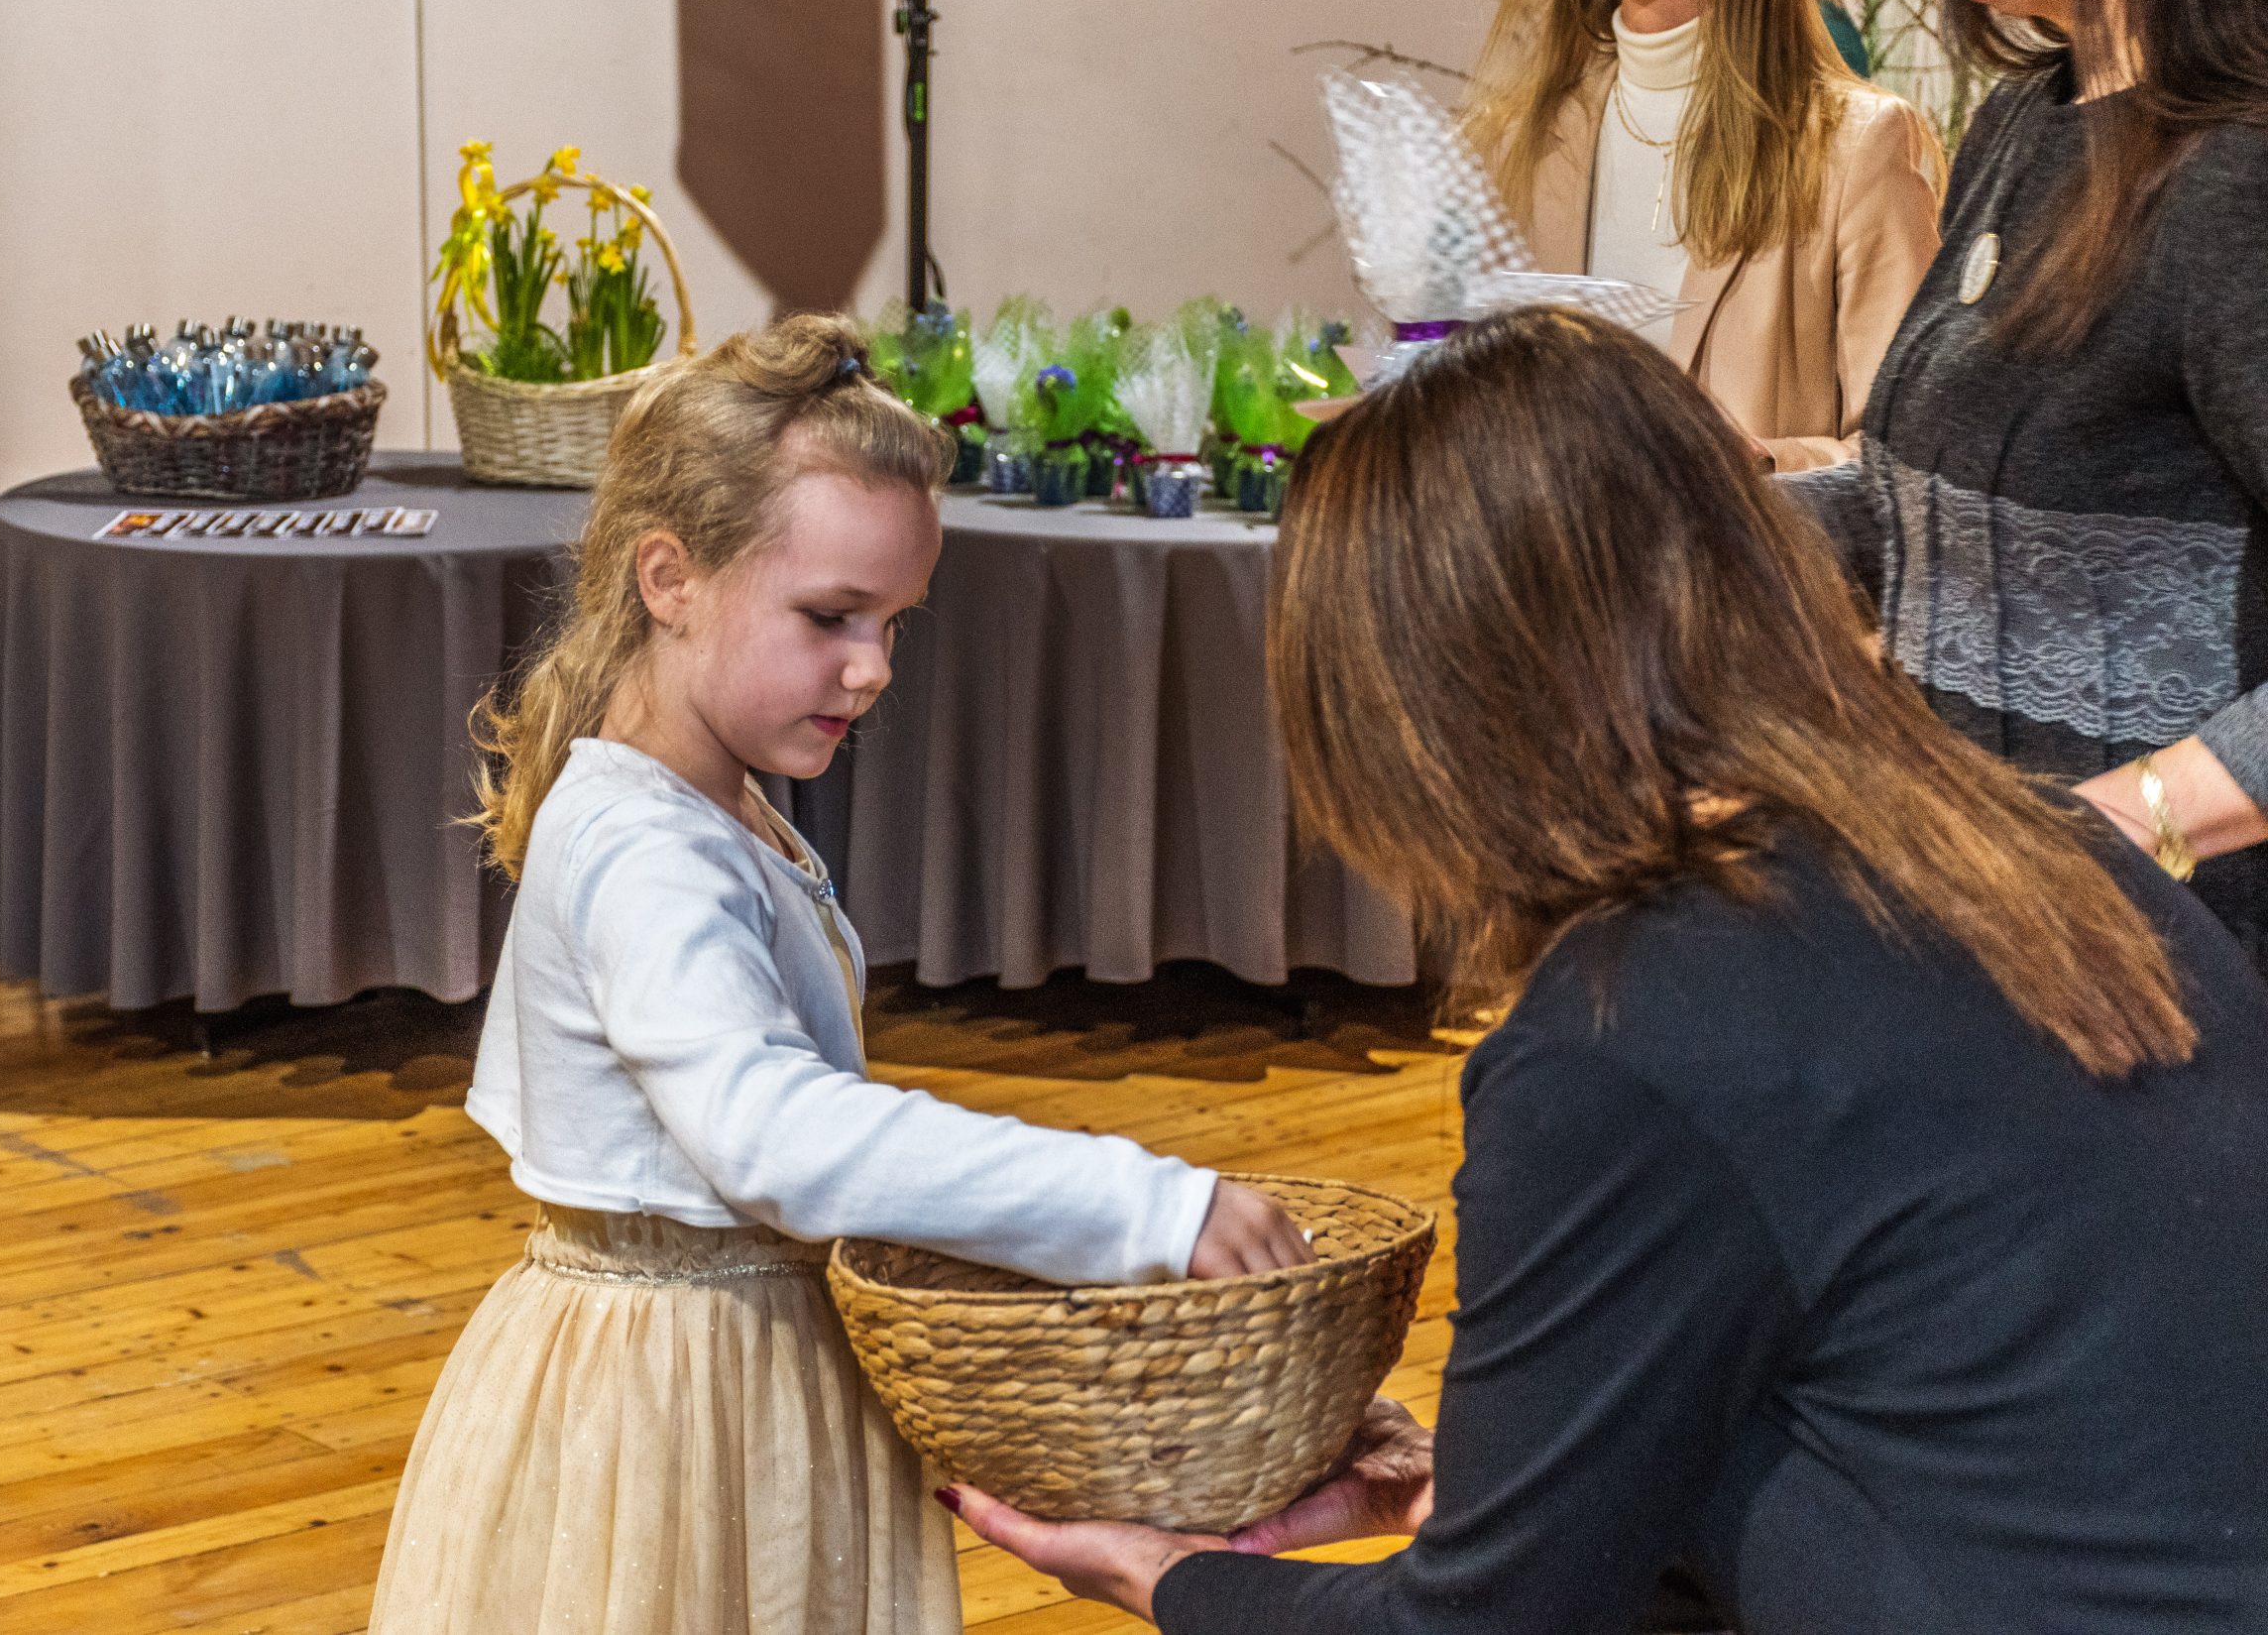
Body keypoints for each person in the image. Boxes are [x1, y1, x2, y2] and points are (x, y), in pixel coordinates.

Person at [947, 307, 2268, 1632]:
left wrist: (1168, 1574)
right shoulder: (2043, 850)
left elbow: (1481, 1628)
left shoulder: (1633, 1027)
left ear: (1403, 705)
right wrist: (1528, 1481)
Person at [365, 314, 1308, 1635]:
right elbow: (772, 1134)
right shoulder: (645, 845)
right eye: (828, 616)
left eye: (890, 622)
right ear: (668, 577)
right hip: (673, 1405)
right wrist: (1141, 1202)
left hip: (745, 1361)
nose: (870, 668)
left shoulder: (712, 802)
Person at [1791, 0, 2268, 965]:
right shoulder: (2022, 119)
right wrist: (1683, 507)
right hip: (1988, 913)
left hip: (2175, 962)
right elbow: (1935, 505)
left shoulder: (2240, 177)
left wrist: (2121, 826)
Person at [1465, 0, 1941, 469]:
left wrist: (1760, 463)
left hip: (1754, 525)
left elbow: (1912, 459)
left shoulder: (1858, 142)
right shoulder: (1514, 146)